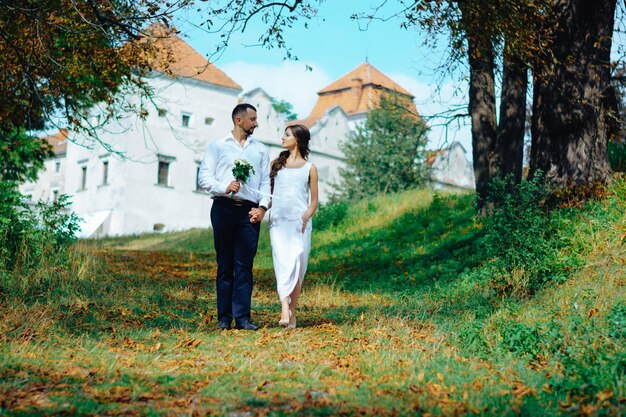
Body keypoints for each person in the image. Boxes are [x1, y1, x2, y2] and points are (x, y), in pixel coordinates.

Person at [198, 103, 271, 331]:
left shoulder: (260, 150)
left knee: (244, 266)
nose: (256, 123)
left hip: (249, 212)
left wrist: (262, 208)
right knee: (225, 265)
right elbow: (203, 178)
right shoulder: (217, 147)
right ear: (239, 120)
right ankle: (223, 318)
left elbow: (266, 182)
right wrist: (224, 186)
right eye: (252, 119)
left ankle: (243, 318)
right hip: (223, 208)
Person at [269, 124, 318, 329]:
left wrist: (305, 218)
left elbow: (314, 202)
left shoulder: (310, 169)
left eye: (287, 135)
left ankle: (292, 311)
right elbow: (269, 196)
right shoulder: (275, 165)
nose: (282, 138)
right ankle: (283, 308)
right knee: (282, 264)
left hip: (299, 223)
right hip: (278, 222)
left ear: (297, 139)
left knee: (297, 266)